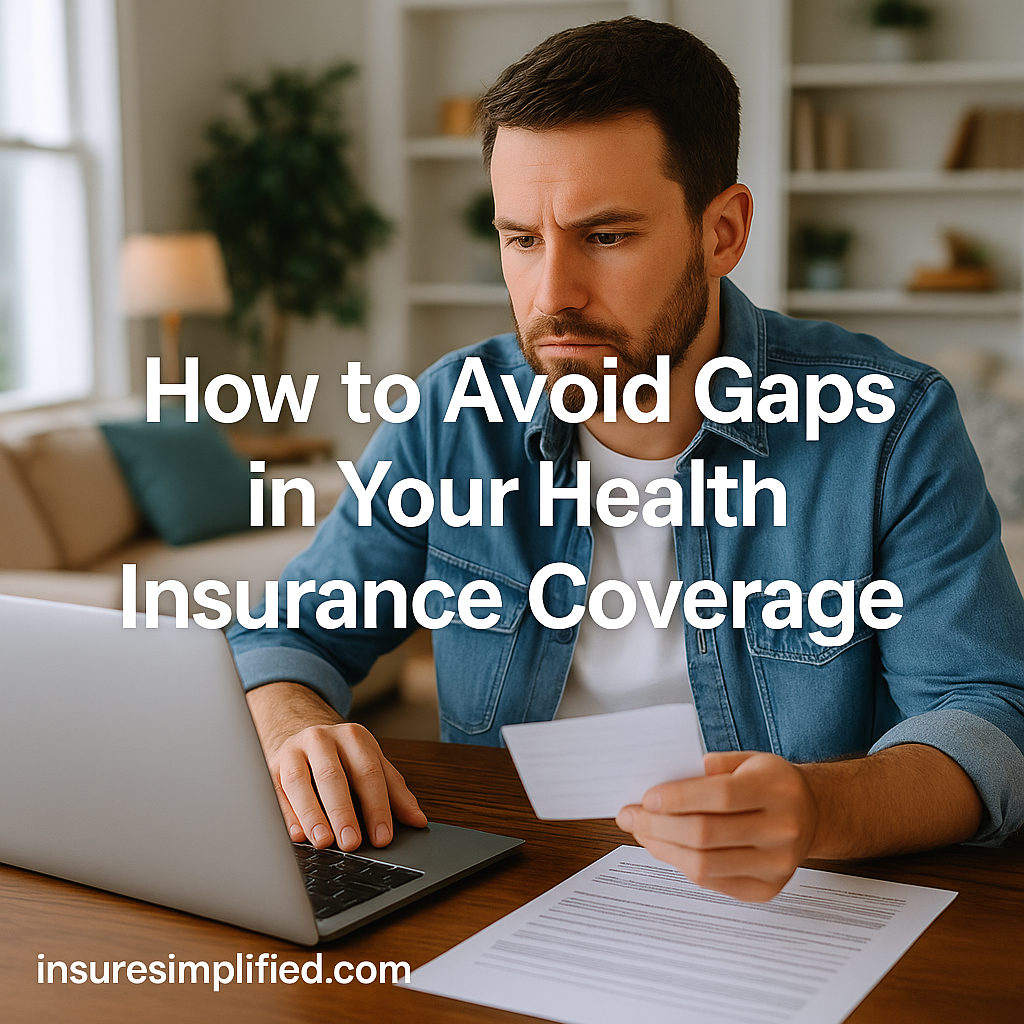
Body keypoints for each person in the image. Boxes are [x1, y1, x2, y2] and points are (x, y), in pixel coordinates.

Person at [228, 17, 1024, 902]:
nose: (552, 296)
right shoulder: (453, 414)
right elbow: (282, 636)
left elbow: (990, 716)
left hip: (796, 902)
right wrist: (291, 724)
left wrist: (819, 810)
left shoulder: (889, 424)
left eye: (606, 237)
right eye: (522, 239)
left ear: (722, 232)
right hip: (511, 886)